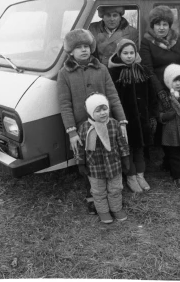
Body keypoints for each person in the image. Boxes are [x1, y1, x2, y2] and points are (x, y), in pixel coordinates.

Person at [57, 29, 128, 215]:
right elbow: (64, 104)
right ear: (70, 51)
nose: (83, 50)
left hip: (105, 124)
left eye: (86, 46)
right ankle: (93, 196)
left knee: (108, 156)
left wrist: (121, 121)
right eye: (78, 47)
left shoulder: (101, 69)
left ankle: (113, 194)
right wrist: (72, 131)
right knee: (88, 160)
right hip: (83, 127)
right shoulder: (64, 73)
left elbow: (113, 95)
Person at [140, 5, 180, 173]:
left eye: (165, 24)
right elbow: (148, 69)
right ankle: (169, 158)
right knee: (166, 124)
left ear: (170, 25)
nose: (161, 28)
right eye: (158, 24)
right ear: (152, 25)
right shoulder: (147, 42)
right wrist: (160, 93)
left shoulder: (178, 39)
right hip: (159, 89)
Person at [108, 38, 155, 192]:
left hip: (141, 117)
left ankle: (141, 175)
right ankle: (131, 176)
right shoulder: (114, 73)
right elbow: (112, 98)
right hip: (125, 119)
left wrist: (151, 114)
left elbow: (151, 94)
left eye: (132, 53)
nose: (129, 56)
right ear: (119, 54)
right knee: (127, 149)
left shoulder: (142, 70)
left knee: (140, 148)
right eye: (125, 53)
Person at [76, 93, 131, 224]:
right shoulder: (84, 128)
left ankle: (116, 209)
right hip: (95, 168)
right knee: (98, 191)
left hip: (114, 166)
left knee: (115, 189)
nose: (102, 113)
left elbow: (122, 143)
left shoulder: (114, 124)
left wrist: (126, 159)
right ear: (90, 112)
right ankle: (103, 211)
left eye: (105, 109)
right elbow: (79, 147)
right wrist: (80, 163)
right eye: (98, 110)